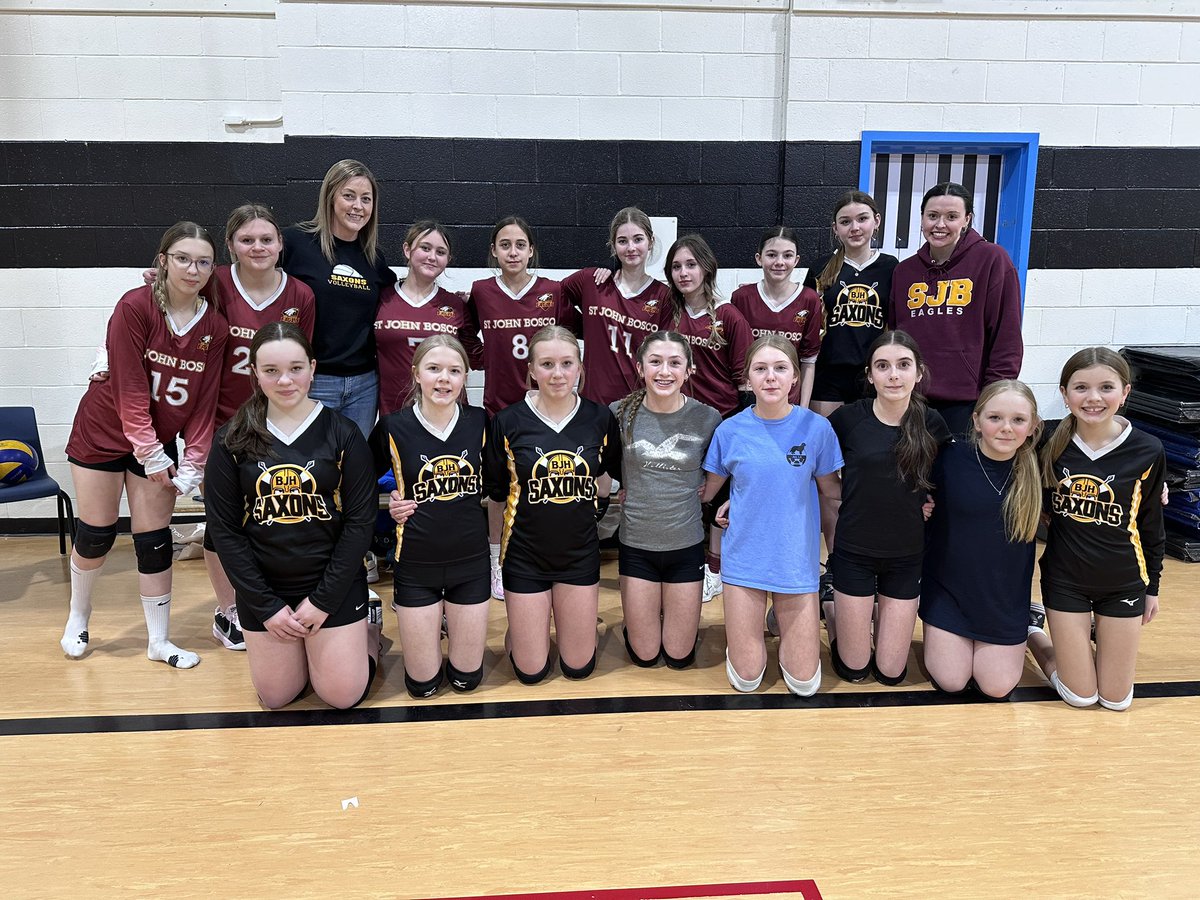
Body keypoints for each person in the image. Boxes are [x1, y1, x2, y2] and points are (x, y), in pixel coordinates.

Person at [61, 222, 229, 668]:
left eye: (203, 261)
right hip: (104, 432)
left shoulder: (214, 325)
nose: (193, 269)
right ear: (162, 260)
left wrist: (194, 461)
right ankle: (79, 614)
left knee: (153, 540)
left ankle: (159, 642)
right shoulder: (135, 307)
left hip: (157, 441)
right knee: (96, 534)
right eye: (183, 258)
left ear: (213, 268)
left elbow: (204, 402)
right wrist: (152, 455)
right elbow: (131, 389)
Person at [205, 324, 380, 709]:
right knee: (276, 696)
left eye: (296, 368)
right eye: (270, 370)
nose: (285, 380)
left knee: (341, 695)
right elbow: (225, 531)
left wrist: (323, 601)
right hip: (265, 587)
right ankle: (308, 645)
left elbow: (359, 523)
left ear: (313, 368)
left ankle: (368, 631)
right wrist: (265, 605)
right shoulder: (231, 438)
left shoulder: (343, 432)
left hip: (331, 585)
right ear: (253, 372)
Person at [1026, 348, 1166, 712]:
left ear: (1125, 393)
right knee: (1080, 696)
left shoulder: (1148, 449)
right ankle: (1033, 630)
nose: (1093, 398)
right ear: (1064, 393)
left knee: (1117, 701)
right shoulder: (1046, 442)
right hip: (1065, 581)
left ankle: (1096, 638)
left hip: (1123, 582)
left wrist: (1152, 588)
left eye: (1106, 387)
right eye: (1081, 387)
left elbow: (1150, 524)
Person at [702, 336, 842, 696]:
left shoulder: (817, 429)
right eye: (760, 369)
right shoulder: (729, 430)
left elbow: (832, 493)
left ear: (795, 376)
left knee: (804, 683)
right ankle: (752, 629)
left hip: (794, 560)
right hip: (745, 558)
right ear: (747, 378)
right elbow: (706, 492)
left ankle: (781, 613)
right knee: (747, 680)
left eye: (780, 368)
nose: (770, 377)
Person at [486, 326, 622, 684]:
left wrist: (600, 505)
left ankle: (567, 621)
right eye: (547, 364)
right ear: (531, 369)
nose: (558, 374)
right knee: (531, 671)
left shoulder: (600, 417)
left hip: (578, 554)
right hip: (524, 555)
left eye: (566, 363)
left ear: (579, 366)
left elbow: (608, 469)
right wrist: (493, 557)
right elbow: (497, 497)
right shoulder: (507, 421)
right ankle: (524, 627)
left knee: (578, 668)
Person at [826, 331, 951, 686]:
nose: (893, 375)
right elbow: (811, 468)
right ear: (869, 375)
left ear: (919, 372)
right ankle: (831, 607)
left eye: (903, 365)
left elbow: (948, 480)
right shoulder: (847, 419)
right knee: (854, 670)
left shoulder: (932, 423)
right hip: (853, 551)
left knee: (891, 673)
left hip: (907, 555)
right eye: (883, 366)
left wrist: (932, 502)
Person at [372, 336, 491, 698]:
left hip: (470, 564)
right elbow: (357, 485)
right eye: (434, 369)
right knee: (421, 686)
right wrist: (388, 503)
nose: (444, 379)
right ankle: (368, 632)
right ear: (416, 374)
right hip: (415, 564)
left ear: (465, 377)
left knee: (465, 681)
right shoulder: (393, 427)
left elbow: (501, 484)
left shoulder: (481, 422)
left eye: (454, 371)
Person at [465, 216, 575, 600]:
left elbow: (571, 336)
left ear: (531, 251)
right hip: (499, 405)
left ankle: (545, 555)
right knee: (498, 491)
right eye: (505, 245)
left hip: (547, 405)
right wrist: (483, 357)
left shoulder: (553, 291)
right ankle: (498, 559)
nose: (513, 252)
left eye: (520, 245)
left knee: (545, 483)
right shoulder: (480, 291)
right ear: (494, 251)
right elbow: (463, 334)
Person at [804, 192, 898, 610]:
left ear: (876, 221)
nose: (854, 227)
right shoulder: (822, 272)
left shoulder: (894, 269)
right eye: (845, 221)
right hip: (829, 384)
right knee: (829, 480)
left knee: (871, 474)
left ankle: (869, 560)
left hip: (876, 384)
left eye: (862, 219)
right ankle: (835, 563)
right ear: (835, 229)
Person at [920, 380, 1042, 699]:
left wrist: (1158, 493)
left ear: (1032, 426)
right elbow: (906, 488)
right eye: (994, 418)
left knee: (997, 686)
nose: (1006, 428)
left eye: (1018, 420)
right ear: (976, 421)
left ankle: (1032, 626)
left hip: (1004, 600)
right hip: (948, 593)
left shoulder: (1042, 468)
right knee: (951, 681)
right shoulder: (948, 457)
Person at [611, 332, 721, 668]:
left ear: (689, 370)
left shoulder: (708, 418)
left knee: (678, 655)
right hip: (637, 545)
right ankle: (644, 618)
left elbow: (719, 470)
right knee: (645, 655)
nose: (664, 371)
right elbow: (602, 466)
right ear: (640, 367)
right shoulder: (618, 413)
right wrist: (616, 492)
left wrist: (709, 492)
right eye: (655, 362)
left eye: (675, 363)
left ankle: (671, 616)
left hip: (685, 547)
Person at [888, 181, 1023, 437]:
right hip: (912, 400)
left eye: (951, 217)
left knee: (957, 475)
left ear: (967, 219)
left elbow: (1007, 338)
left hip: (968, 404)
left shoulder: (992, 260)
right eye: (932, 216)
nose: (940, 225)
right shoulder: (904, 271)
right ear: (922, 219)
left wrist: (993, 399)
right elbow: (895, 337)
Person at [665, 234, 753, 603]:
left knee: (718, 501)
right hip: (678, 420)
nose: (684, 273)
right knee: (686, 496)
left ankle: (715, 569)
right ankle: (688, 563)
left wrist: (743, 427)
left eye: (690, 264)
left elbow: (743, 377)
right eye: (676, 266)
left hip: (721, 422)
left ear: (706, 267)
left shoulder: (728, 315)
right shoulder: (668, 315)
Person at [282, 159, 396, 436]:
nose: (358, 206)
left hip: (364, 386)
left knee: (353, 469)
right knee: (312, 468)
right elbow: (251, 275)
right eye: (349, 196)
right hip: (313, 381)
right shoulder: (295, 242)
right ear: (330, 197)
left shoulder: (373, 258)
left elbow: (404, 297)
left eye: (366, 199)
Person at [562, 207, 672, 406]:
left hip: (638, 405)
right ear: (613, 246)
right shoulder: (591, 280)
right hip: (592, 403)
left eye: (638, 239)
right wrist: (586, 326)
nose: (631, 247)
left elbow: (665, 351)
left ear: (651, 242)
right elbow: (554, 300)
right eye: (622, 241)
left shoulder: (663, 296)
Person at [374, 220, 482, 416]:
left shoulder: (456, 305)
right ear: (407, 250)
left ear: (447, 259)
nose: (432, 257)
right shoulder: (381, 299)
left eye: (440, 252)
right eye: (425, 248)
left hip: (448, 414)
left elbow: (477, 359)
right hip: (395, 414)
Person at [731, 226, 823, 408]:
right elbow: (736, 357)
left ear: (796, 260)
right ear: (759, 258)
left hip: (790, 401)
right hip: (751, 398)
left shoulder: (809, 299)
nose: (779, 262)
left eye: (787, 256)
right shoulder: (741, 297)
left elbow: (808, 361)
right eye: (772, 255)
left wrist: (802, 409)